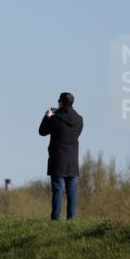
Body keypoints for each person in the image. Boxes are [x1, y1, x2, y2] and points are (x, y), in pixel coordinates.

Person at [39, 92, 84, 221]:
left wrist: (47, 117)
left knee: (58, 191)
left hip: (58, 159)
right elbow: (77, 133)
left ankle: (55, 219)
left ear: (62, 103)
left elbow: (42, 131)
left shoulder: (55, 119)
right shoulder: (79, 119)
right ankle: (71, 219)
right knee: (72, 192)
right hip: (72, 161)